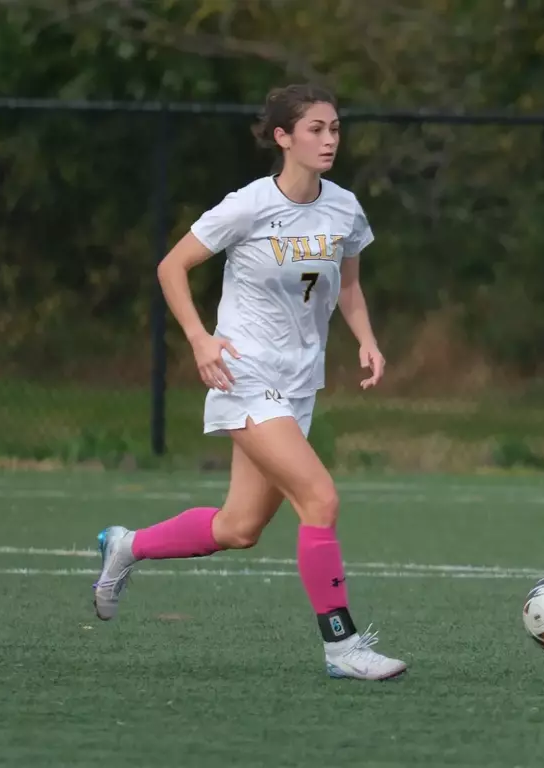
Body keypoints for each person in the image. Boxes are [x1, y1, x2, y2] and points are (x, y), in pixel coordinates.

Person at [93, 83, 407, 681]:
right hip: (245, 374)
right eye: (315, 129)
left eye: (335, 128)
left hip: (297, 382)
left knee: (237, 528)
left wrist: (366, 339)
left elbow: (347, 286)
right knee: (320, 498)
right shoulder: (248, 205)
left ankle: (125, 546)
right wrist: (198, 339)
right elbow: (171, 267)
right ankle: (342, 647)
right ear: (283, 137)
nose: (329, 139)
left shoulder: (344, 207)